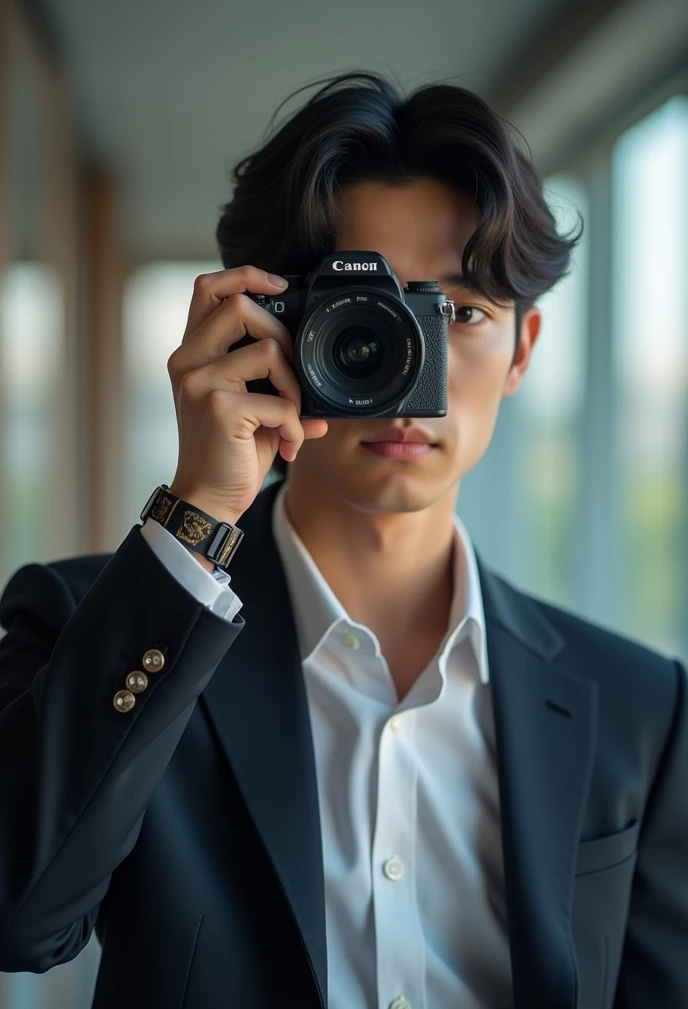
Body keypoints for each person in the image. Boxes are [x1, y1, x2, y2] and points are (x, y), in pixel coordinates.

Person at [0, 70, 686, 1009]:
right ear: (267, 327)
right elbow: (18, 920)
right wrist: (200, 506)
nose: (407, 364)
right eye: (364, 315)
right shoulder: (94, 625)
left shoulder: (641, 707)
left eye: (458, 313)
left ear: (523, 351)